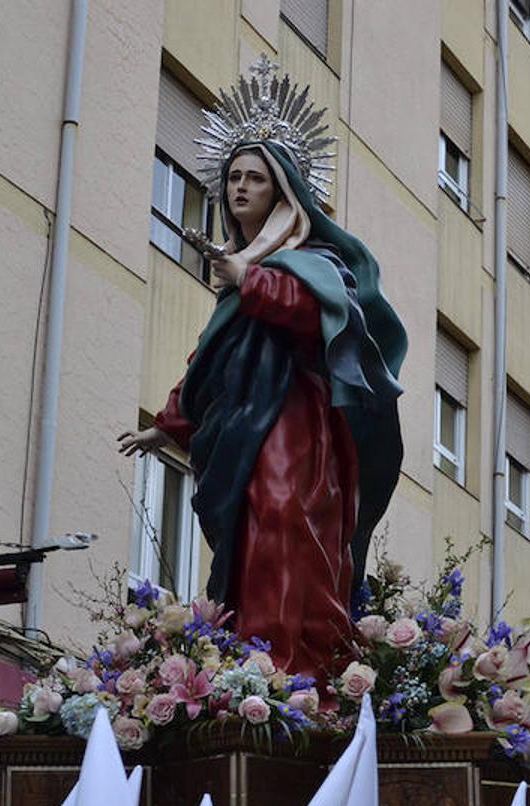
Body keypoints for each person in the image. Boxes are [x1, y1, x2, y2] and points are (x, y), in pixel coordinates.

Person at [118, 108, 405, 680]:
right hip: (241, 424)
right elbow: (213, 357)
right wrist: (171, 423)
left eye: (255, 177)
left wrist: (252, 281)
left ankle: (292, 666)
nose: (240, 187)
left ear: (282, 191)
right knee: (248, 535)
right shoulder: (236, 274)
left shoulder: (312, 260)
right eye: (234, 177)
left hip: (296, 422)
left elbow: (327, 315)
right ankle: (251, 658)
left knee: (285, 518)